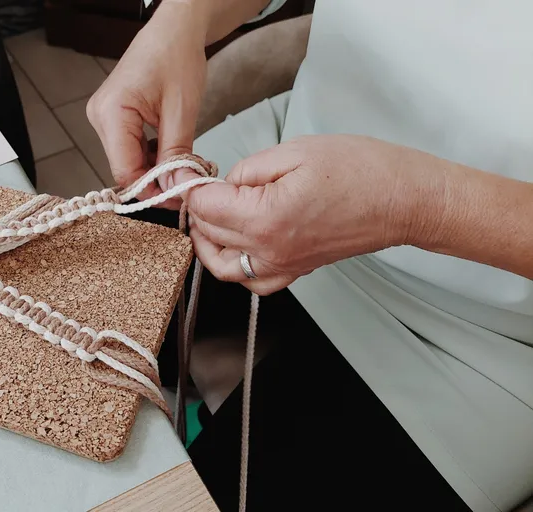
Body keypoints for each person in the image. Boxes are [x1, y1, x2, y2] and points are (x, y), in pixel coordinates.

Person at [87, 1, 533, 510]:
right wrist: (183, 19)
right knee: (7, 341)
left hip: (492, 339)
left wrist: (410, 206)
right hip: (286, 155)